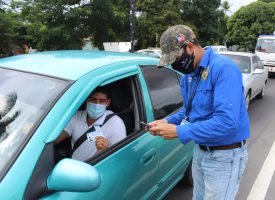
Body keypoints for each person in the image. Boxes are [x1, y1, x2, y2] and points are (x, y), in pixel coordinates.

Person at [148, 25, 250, 200]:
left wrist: (179, 131)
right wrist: (169, 122)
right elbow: (189, 112)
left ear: (189, 47)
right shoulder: (189, 75)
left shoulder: (223, 69)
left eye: (175, 58)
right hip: (200, 151)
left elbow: (226, 122)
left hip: (223, 157)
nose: (174, 65)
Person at [55, 86, 126, 161]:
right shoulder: (76, 116)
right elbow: (58, 137)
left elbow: (120, 156)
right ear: (86, 100)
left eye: (102, 101)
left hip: (96, 168)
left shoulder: (115, 123)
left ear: (108, 103)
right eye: (92, 99)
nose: (97, 104)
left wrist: (105, 150)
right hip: (74, 167)